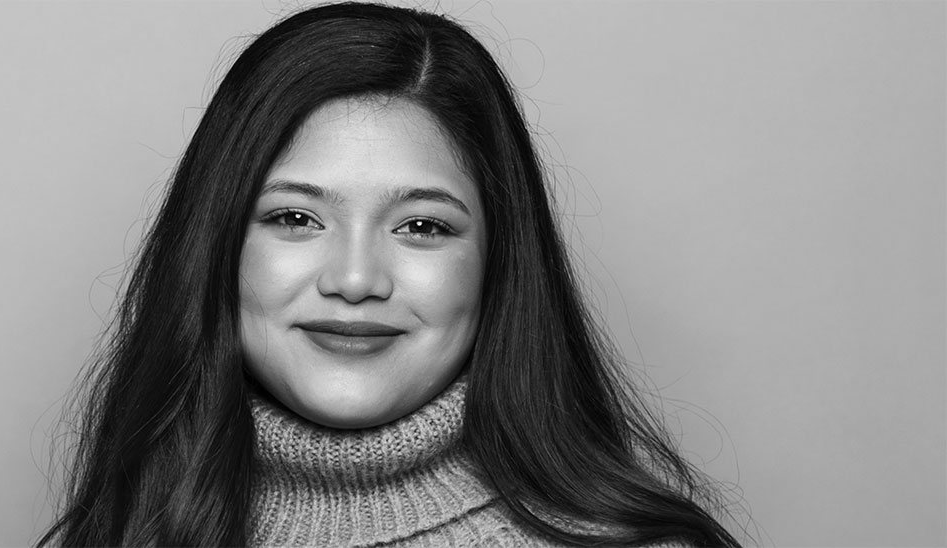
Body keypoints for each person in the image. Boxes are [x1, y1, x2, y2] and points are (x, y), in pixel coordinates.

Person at [39, 2, 740, 546]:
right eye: (295, 219)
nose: (354, 279)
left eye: (423, 227)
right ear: (216, 246)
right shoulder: (122, 531)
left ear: (498, 267)